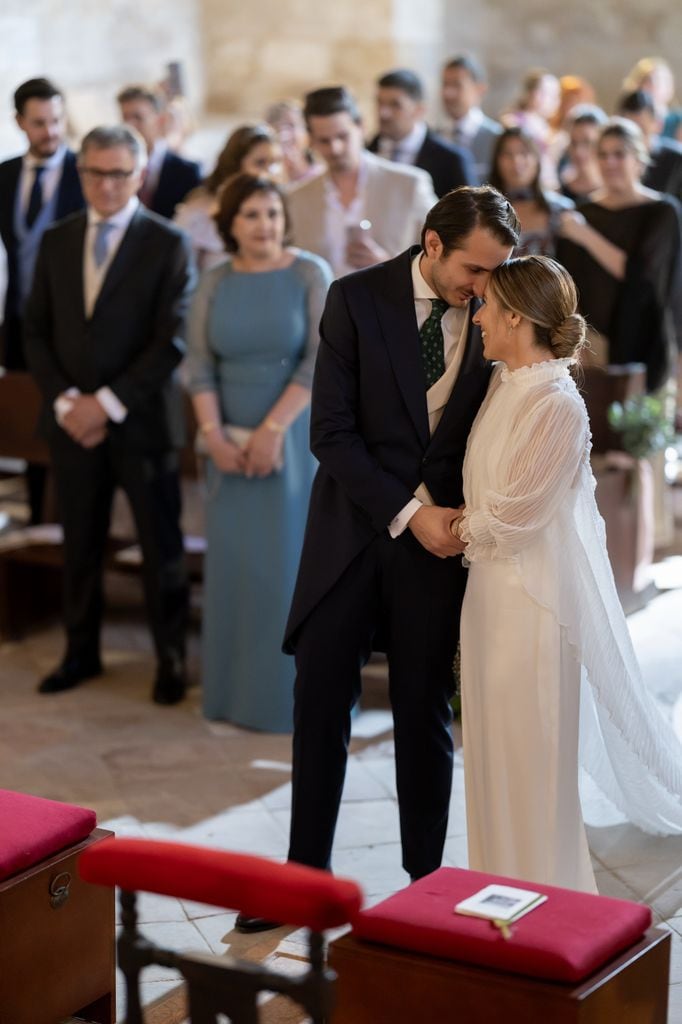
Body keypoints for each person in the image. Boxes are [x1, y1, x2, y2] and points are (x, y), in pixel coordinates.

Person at [232, 186, 519, 933]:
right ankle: (304, 878)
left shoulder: (500, 309)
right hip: (352, 537)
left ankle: (425, 886)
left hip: (440, 550)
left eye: (497, 272)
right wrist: (408, 512)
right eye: (475, 270)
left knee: (423, 710)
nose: (485, 288)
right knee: (320, 702)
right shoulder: (355, 298)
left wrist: (450, 519)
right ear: (432, 245)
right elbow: (330, 433)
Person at [455, 254, 682, 892]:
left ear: (518, 317)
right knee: (493, 761)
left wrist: (449, 527)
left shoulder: (556, 403)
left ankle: (545, 899)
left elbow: (517, 517)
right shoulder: (505, 385)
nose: (479, 320)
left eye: (489, 307)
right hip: (488, 599)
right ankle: (495, 892)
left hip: (531, 609)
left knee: (530, 765)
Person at [24, 125, 195, 704]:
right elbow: (36, 330)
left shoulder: (167, 242)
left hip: (141, 421)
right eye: (96, 172)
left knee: (160, 545)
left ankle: (170, 659)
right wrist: (69, 402)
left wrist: (109, 402)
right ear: (81, 174)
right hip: (72, 423)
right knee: (81, 543)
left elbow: (171, 339)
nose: (107, 184)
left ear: (139, 175)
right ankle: (80, 653)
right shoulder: (57, 239)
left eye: (119, 172)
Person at [185, 174, 332, 731]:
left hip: (291, 435)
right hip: (224, 436)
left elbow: (319, 360)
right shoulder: (215, 279)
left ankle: (286, 703)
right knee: (235, 570)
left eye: (272, 213)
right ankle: (227, 696)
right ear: (230, 223)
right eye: (250, 214)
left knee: (286, 568)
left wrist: (271, 431)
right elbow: (198, 363)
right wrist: (216, 437)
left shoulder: (309, 272)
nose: (264, 225)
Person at [0, 77, 85, 524]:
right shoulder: (6, 175)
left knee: (68, 423)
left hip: (72, 327)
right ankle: (37, 520)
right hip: (18, 326)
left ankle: (70, 522)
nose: (50, 132)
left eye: (56, 120)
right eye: (39, 123)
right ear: (19, 123)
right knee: (28, 421)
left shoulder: (84, 172)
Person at [557, 118, 682, 393]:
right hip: (592, 341)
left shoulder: (661, 211)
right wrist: (577, 342)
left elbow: (642, 274)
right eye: (602, 154)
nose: (609, 162)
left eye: (619, 154)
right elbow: (568, 284)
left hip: (646, 339)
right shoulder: (584, 212)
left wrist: (585, 235)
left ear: (639, 159)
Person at [285, 86, 437, 278]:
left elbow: (443, 256)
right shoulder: (295, 199)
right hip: (324, 307)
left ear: (361, 127)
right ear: (311, 141)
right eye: (324, 140)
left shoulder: (410, 185)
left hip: (394, 303)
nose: (335, 148)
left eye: (342, 136)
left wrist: (390, 266)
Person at [174, 124, 282, 270]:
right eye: (260, 163)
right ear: (235, 165)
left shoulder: (281, 207)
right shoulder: (198, 212)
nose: (270, 172)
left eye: (275, 162)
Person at [367, 68, 476, 198]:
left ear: (419, 109)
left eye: (395, 105)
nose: (383, 113)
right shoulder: (366, 153)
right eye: (380, 103)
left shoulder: (451, 161)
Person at [117, 84, 201, 219]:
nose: (129, 125)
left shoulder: (187, 171)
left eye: (137, 117)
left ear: (160, 120)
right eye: (125, 118)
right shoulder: (115, 166)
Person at [489, 127, 574, 256]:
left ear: (537, 159)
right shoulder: (484, 212)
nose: (516, 161)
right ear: (497, 161)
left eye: (524, 153)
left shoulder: (560, 210)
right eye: (507, 154)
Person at [439, 54, 502, 182]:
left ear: (479, 89)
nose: (448, 93)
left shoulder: (497, 138)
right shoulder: (436, 137)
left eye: (457, 85)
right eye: (445, 84)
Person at [617, 90, 682, 203]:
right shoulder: (612, 160)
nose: (635, 142)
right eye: (628, 135)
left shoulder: (677, 160)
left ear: (658, 125)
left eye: (642, 131)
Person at [558, 105, 607, 204]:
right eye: (574, 143)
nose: (578, 151)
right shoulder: (558, 194)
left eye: (587, 142)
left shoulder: (614, 193)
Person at [265, 100, 321, 185]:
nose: (286, 134)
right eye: (279, 128)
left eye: (292, 125)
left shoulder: (319, 172)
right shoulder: (268, 175)